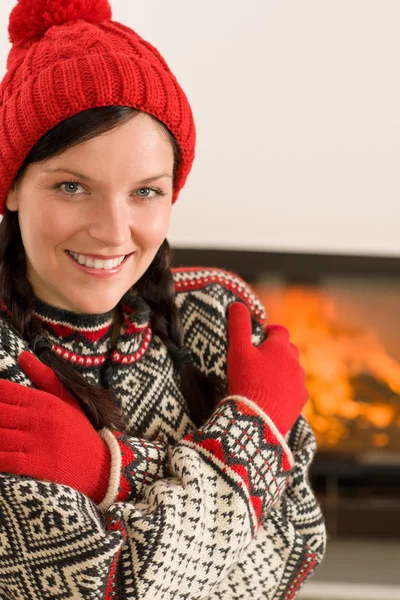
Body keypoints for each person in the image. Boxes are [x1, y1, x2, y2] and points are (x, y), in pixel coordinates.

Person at [0, 0, 326, 598]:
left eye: (145, 192)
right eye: (72, 186)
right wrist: (254, 428)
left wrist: (108, 470)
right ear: (14, 184)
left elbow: (298, 548)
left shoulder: (215, 310)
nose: (114, 230)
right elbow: (113, 590)